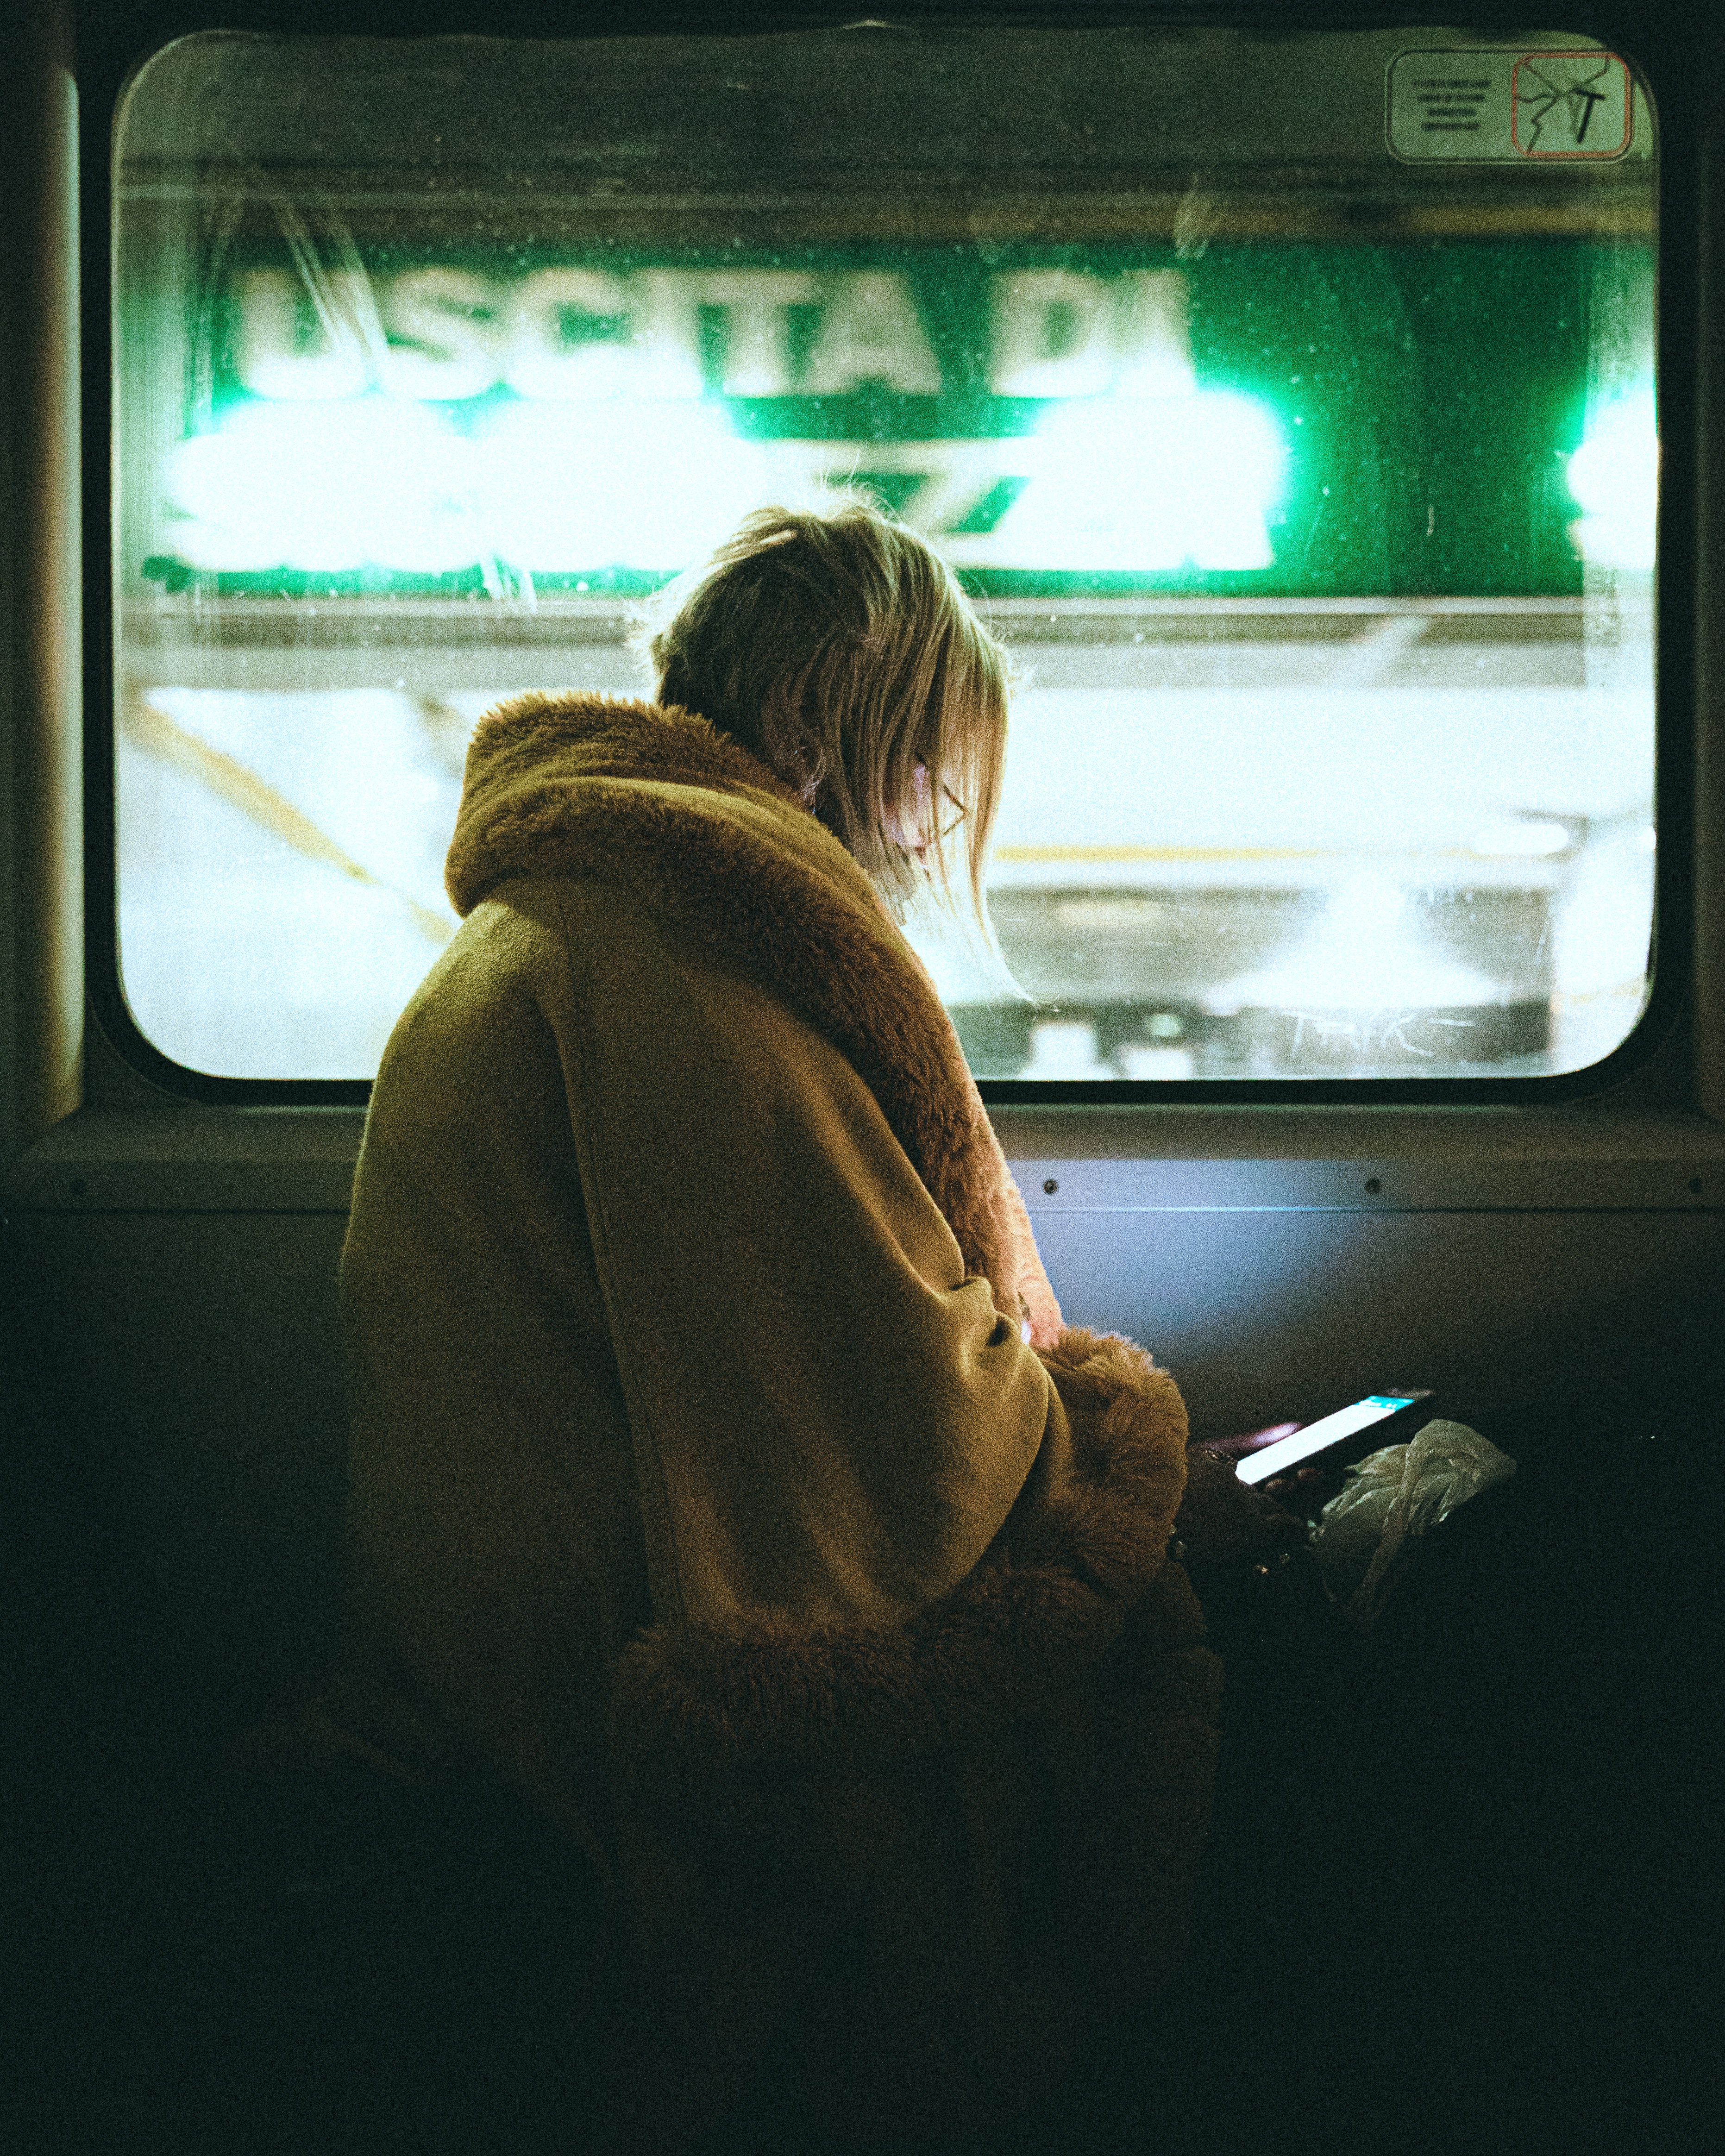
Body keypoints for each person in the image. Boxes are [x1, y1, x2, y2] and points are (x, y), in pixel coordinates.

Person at [296, 501, 1299, 2151]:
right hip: (628, 1782)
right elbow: (888, 1438)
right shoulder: (692, 974)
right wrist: (1123, 1452)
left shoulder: (573, 927)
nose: (927, 832)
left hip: (497, 1673)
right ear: (826, 726)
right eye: (929, 770)